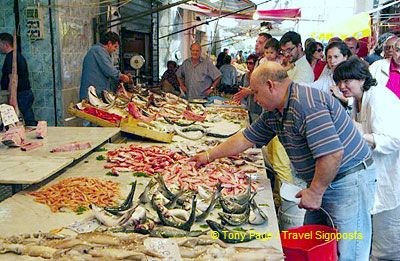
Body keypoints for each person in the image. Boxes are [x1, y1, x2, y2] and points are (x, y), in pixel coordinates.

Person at [193, 61, 375, 260]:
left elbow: (332, 154)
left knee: (349, 247)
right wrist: (209, 155)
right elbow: (245, 138)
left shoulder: (306, 103)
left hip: (347, 181)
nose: (254, 98)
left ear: (271, 85)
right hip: (324, 180)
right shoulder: (275, 111)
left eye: (255, 92)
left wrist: (315, 191)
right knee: (318, 244)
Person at [334, 57, 400, 261]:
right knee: (375, 237)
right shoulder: (358, 100)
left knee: (388, 243)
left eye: (347, 81)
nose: (342, 87)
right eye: (339, 82)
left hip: (390, 174)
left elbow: (394, 139)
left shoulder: (379, 97)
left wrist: (360, 136)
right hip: (373, 174)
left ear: (362, 79)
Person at [80, 31, 130, 100]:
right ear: (109, 43)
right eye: (115, 47)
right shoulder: (98, 50)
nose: (115, 50)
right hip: (91, 96)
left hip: (96, 94)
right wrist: (121, 76)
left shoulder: (99, 51)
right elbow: (109, 70)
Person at [233, 33, 271, 122]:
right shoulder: (259, 60)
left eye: (260, 42)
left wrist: (249, 91)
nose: (256, 44)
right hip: (253, 108)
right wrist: (246, 91)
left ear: (268, 44)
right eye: (256, 42)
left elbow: (267, 86)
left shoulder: (269, 63)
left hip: (263, 111)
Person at [0, 32, 37, 126]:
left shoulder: (11, 58)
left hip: (19, 93)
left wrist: (10, 97)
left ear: (5, 44)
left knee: (26, 119)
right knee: (26, 117)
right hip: (24, 92)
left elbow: (12, 79)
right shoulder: (18, 55)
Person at [309, 41, 353, 109]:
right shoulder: (328, 77)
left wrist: (341, 97)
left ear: (345, 57)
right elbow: (310, 87)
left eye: (336, 57)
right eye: (329, 57)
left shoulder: (354, 76)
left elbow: (358, 101)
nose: (332, 61)